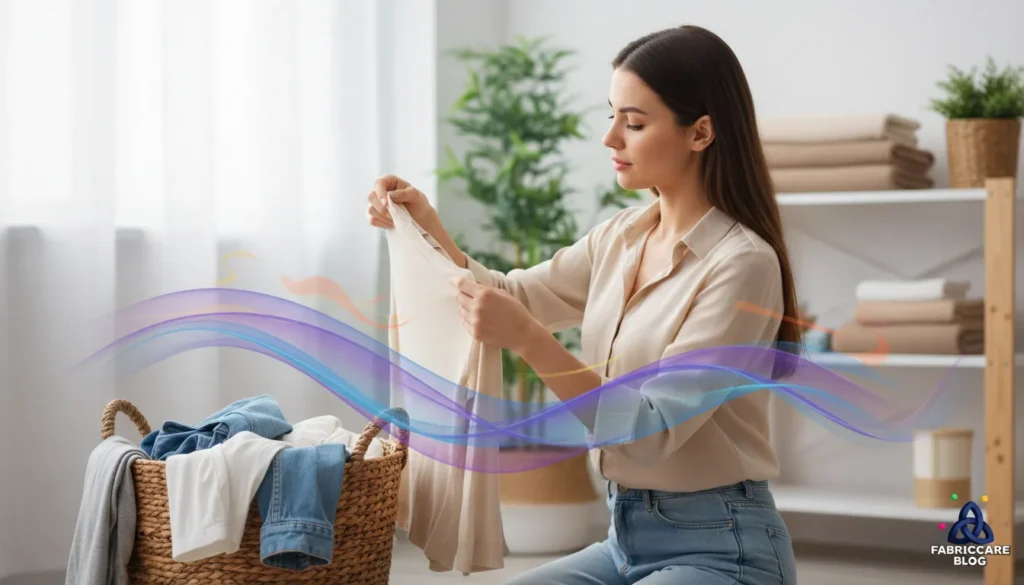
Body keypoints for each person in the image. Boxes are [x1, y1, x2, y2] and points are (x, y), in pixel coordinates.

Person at [367, 24, 800, 585]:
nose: (611, 138)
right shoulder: (620, 237)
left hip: (723, 547)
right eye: (612, 115)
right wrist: (427, 226)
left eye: (635, 122)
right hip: (623, 539)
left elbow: (650, 432)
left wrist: (530, 341)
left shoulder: (741, 265)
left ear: (701, 132)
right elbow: (512, 296)